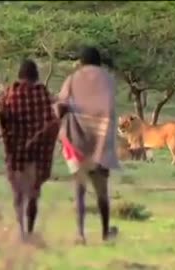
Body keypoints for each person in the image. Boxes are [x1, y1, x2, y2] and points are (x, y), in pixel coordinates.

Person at [54, 46, 120, 244]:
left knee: (79, 190)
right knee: (102, 192)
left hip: (78, 142)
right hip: (101, 142)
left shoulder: (72, 79)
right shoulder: (108, 79)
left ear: (81, 62)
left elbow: (61, 104)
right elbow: (108, 107)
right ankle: (105, 233)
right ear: (99, 62)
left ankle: (80, 234)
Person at [0, 59, 59, 240]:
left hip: (16, 154)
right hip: (37, 155)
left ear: (20, 76)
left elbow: (4, 120)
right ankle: (29, 232)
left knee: (18, 194)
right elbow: (52, 123)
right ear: (36, 77)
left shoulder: (10, 94)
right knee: (33, 194)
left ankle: (21, 230)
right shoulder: (43, 95)